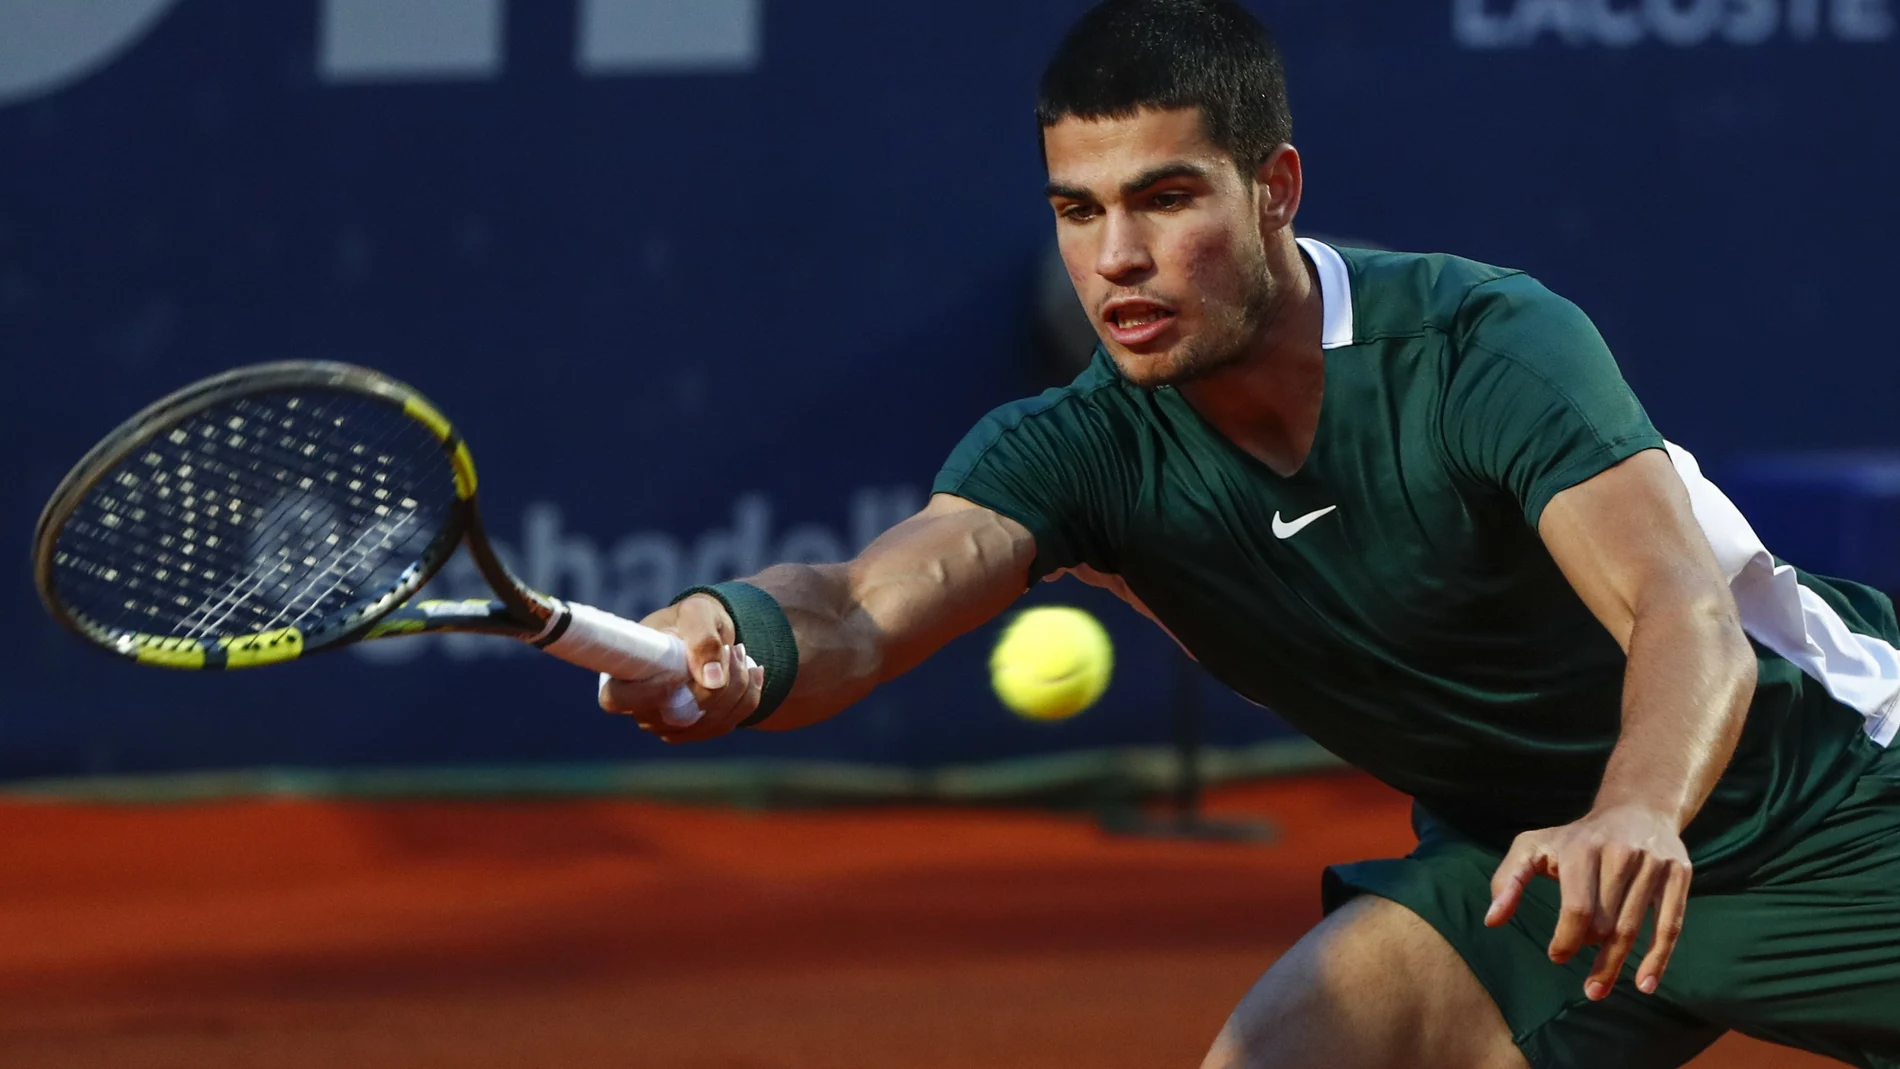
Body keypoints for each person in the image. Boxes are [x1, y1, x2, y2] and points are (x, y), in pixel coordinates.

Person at [600, 2, 1900, 1066]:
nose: (1117, 258)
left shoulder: (1477, 345)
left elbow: (1686, 616)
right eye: (1077, 209)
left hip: (1841, 805)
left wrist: (1633, 810)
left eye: (1166, 198)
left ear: (1274, 188)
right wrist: (740, 632)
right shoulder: (1079, 449)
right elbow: (860, 603)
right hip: (1535, 873)